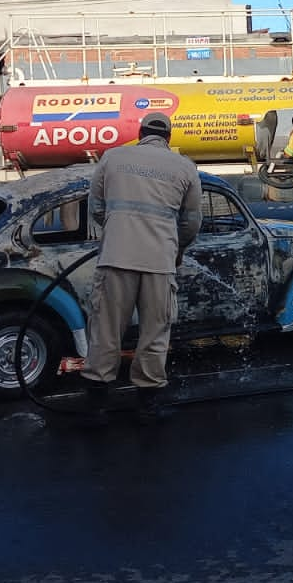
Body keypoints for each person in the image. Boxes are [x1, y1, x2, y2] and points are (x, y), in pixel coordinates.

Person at [82, 112, 201, 426]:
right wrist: (177, 249)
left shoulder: (112, 157)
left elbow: (95, 208)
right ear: (169, 138)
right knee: (154, 331)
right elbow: (191, 223)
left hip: (115, 258)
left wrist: (118, 230)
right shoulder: (185, 167)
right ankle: (147, 404)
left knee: (106, 331)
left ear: (140, 132)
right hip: (159, 262)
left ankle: (96, 406)